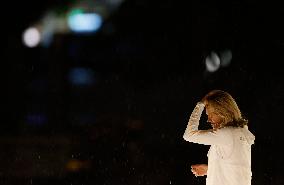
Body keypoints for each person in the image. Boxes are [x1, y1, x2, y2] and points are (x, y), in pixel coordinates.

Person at [183, 90, 255, 185]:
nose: (208, 120)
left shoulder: (226, 134)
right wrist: (210, 169)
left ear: (222, 111)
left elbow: (189, 135)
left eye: (210, 115)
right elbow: (238, 169)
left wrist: (200, 104)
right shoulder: (239, 133)